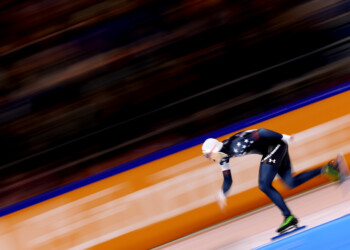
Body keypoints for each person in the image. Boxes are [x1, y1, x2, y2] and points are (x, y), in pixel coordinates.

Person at [202, 128, 341, 233]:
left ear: (215, 150)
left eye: (208, 155)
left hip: (275, 145)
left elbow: (261, 132)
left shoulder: (235, 145)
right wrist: (222, 193)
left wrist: (283, 137)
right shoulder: (223, 157)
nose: (209, 159)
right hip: (275, 148)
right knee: (290, 182)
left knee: (263, 185)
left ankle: (288, 217)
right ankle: (327, 169)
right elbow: (228, 180)